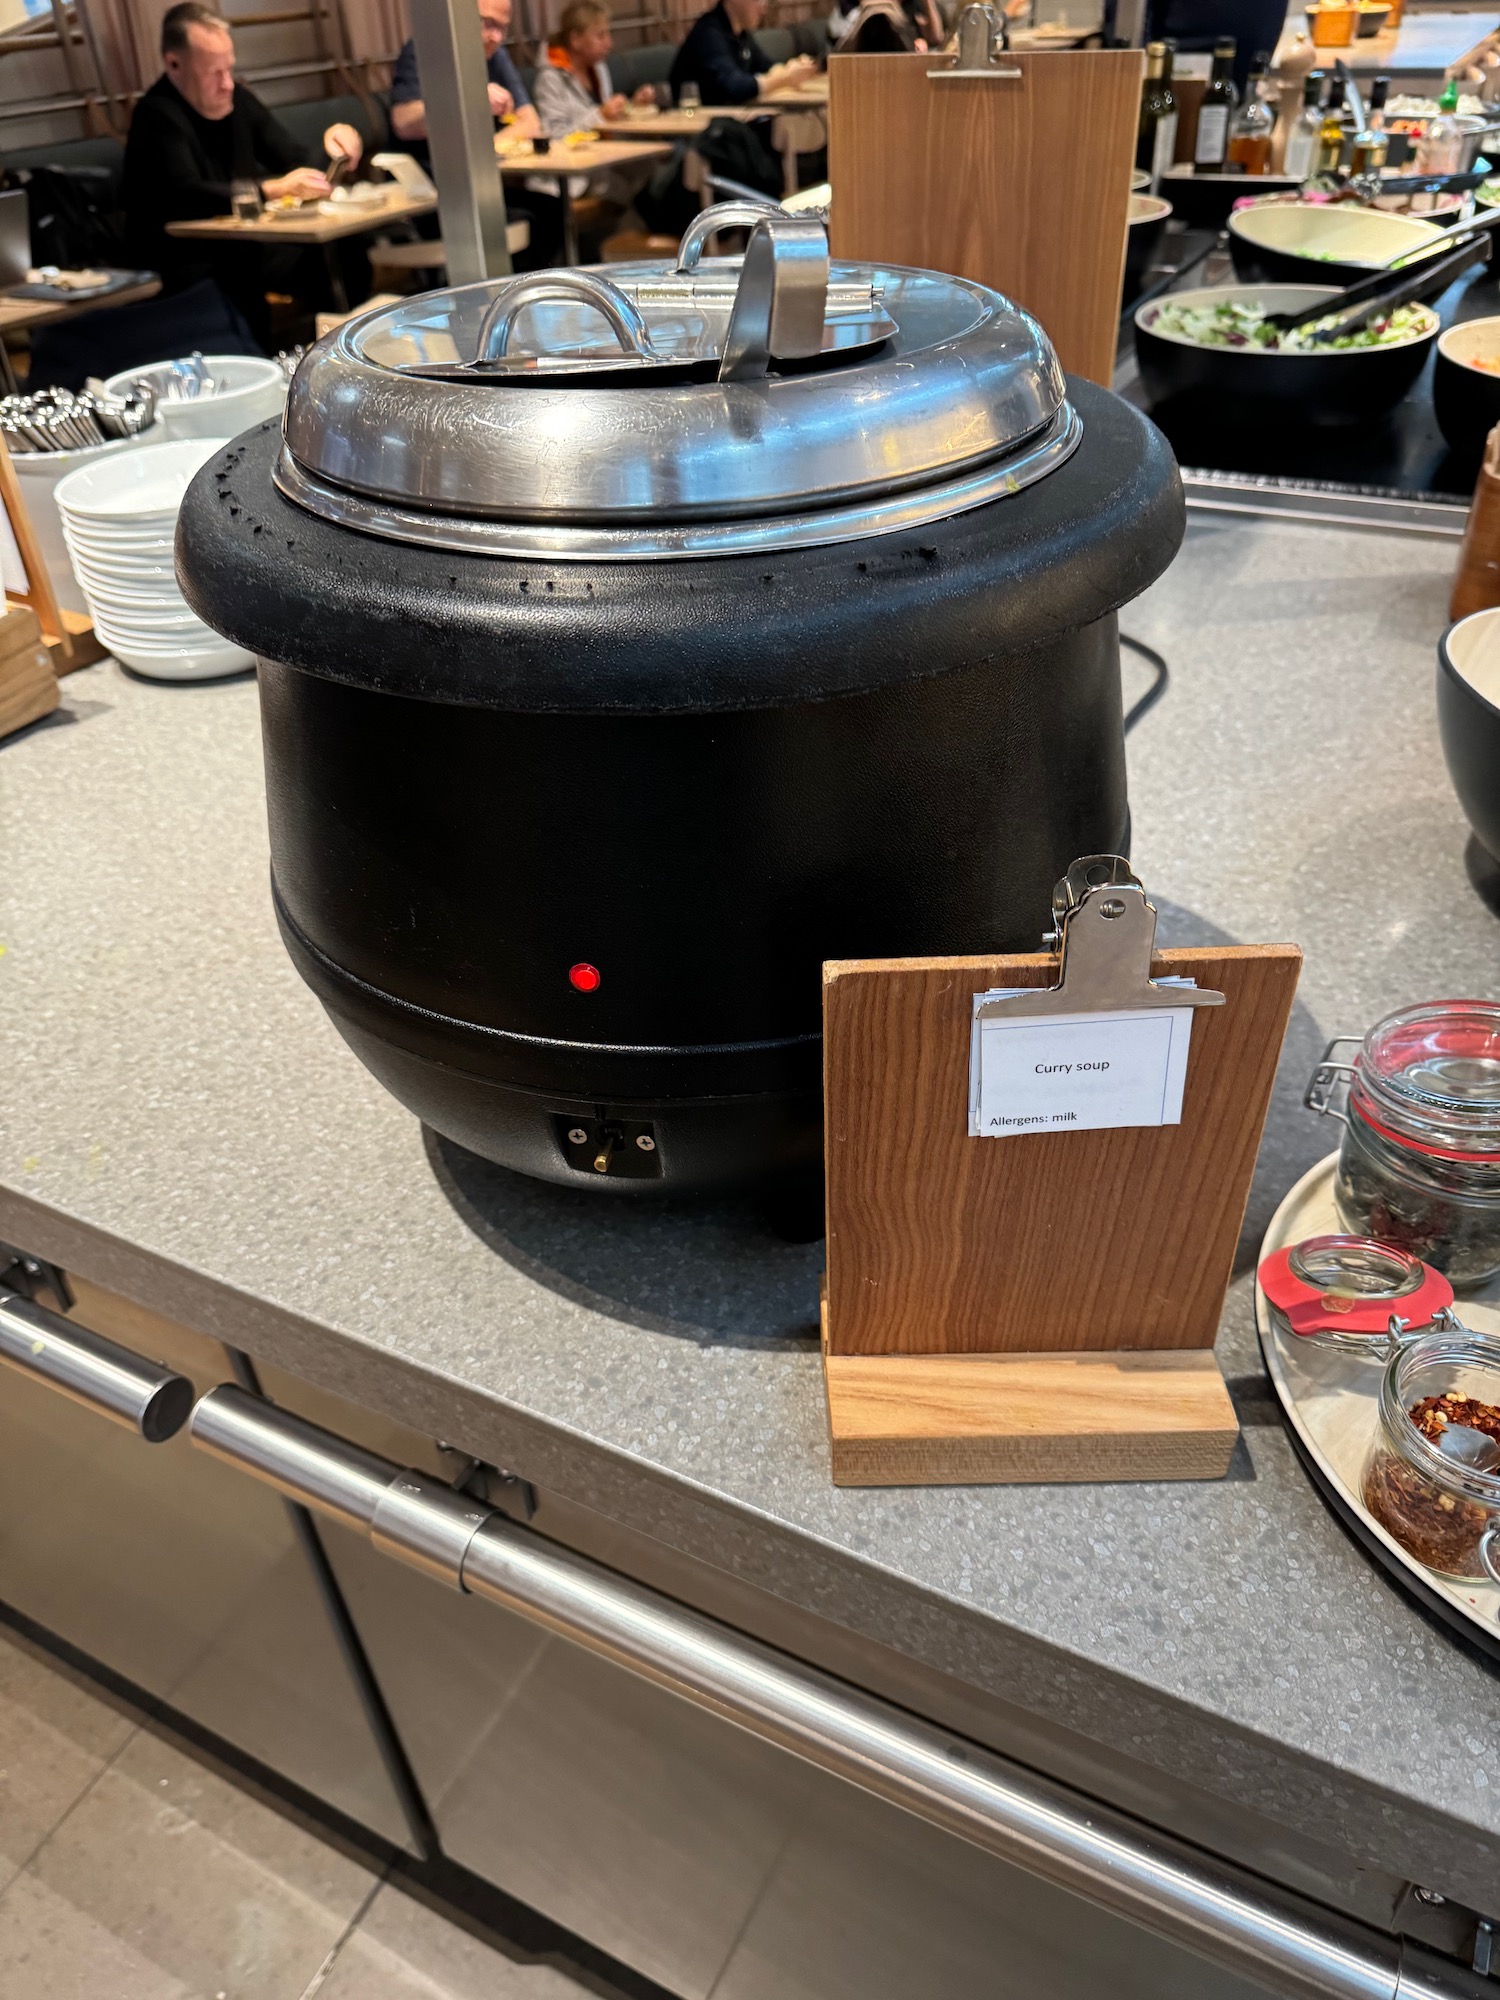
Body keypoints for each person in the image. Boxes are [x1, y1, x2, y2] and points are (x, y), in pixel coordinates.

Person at [123, 1, 362, 344]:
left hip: (244, 247)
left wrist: (334, 143)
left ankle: (344, 356)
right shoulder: (155, 116)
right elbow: (186, 194)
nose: (227, 84)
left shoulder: (237, 101)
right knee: (238, 278)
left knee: (341, 250)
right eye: (213, 74)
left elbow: (293, 158)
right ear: (174, 64)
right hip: (185, 259)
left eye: (229, 70)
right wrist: (271, 191)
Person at [388, 0, 561, 268]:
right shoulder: (425, 49)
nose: (496, 37)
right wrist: (465, 98)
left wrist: (486, 146)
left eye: (503, 28)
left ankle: (535, 301)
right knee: (530, 217)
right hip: (436, 191)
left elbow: (530, 122)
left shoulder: (494, 54)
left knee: (550, 209)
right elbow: (403, 122)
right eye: (488, 24)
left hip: (479, 185)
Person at [531, 0, 658, 134]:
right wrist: (600, 116)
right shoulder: (549, 79)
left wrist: (632, 107)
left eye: (608, 34)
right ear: (575, 40)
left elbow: (607, 121)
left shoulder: (598, 68)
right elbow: (554, 135)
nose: (609, 43)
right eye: (600, 36)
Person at [668, 0, 818, 106]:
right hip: (699, 132)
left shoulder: (741, 34)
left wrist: (794, 67)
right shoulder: (709, 34)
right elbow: (736, 87)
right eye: (757, 0)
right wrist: (786, 77)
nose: (763, 8)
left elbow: (766, 66)